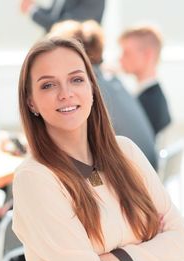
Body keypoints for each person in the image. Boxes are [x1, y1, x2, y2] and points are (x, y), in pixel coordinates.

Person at [14, 37, 184, 261]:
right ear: (31, 102)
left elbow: (181, 243)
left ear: (93, 88)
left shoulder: (126, 153)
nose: (66, 93)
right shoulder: (36, 177)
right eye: (47, 85)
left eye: (76, 79)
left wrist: (118, 259)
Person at [48, 20, 158, 168]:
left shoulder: (88, 89)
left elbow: (76, 151)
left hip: (131, 179)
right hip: (147, 169)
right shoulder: (112, 80)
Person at [119, 25, 172, 136]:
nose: (120, 58)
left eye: (126, 53)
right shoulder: (152, 96)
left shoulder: (149, 103)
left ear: (148, 55)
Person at [20, 0, 105, 33]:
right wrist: (34, 7)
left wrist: (32, 10)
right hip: (58, 49)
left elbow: (65, 26)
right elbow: (54, 15)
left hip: (81, 54)